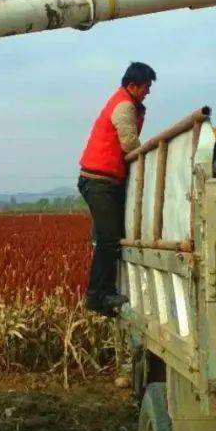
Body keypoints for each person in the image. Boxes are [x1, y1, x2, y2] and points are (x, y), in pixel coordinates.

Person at [78, 61, 156, 317]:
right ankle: (97, 296)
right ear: (132, 85)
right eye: (145, 86)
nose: (148, 91)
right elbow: (129, 143)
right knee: (108, 238)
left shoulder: (127, 103)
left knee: (112, 236)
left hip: (106, 180)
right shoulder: (123, 106)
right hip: (99, 180)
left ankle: (107, 292)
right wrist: (149, 163)